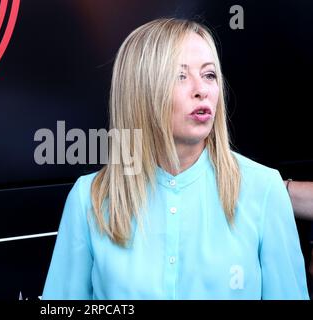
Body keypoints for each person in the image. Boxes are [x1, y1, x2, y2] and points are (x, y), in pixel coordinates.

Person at [42, 18, 309, 299]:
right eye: (180, 76)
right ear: (141, 90)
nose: (201, 89)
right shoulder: (90, 198)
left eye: (209, 75)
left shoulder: (264, 188)